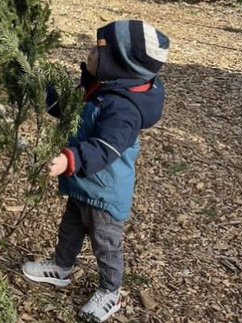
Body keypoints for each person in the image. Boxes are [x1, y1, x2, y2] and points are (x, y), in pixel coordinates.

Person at [22, 19, 168, 322]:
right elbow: (70, 108)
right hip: (84, 185)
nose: (90, 51)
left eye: (98, 50)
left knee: (106, 245)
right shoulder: (101, 86)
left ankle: (110, 292)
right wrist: (40, 90)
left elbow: (106, 148)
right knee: (70, 229)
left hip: (104, 192)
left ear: (119, 65)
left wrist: (68, 159)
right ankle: (62, 267)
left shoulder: (125, 109)